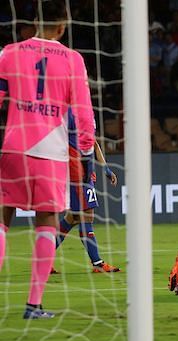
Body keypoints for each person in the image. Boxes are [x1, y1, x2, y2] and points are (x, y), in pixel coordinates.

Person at [0, 1, 96, 319]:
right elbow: (84, 113)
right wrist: (84, 151)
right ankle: (33, 305)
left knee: (2, 219)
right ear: (63, 26)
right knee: (46, 222)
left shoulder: (9, 53)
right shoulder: (72, 59)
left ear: (35, 22)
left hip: (13, 145)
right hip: (51, 152)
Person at [51, 109, 120, 274]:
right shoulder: (69, 113)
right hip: (76, 173)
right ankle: (97, 262)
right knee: (86, 216)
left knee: (72, 218)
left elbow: (93, 144)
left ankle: (43, 258)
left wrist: (106, 169)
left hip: (86, 173)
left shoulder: (88, 113)